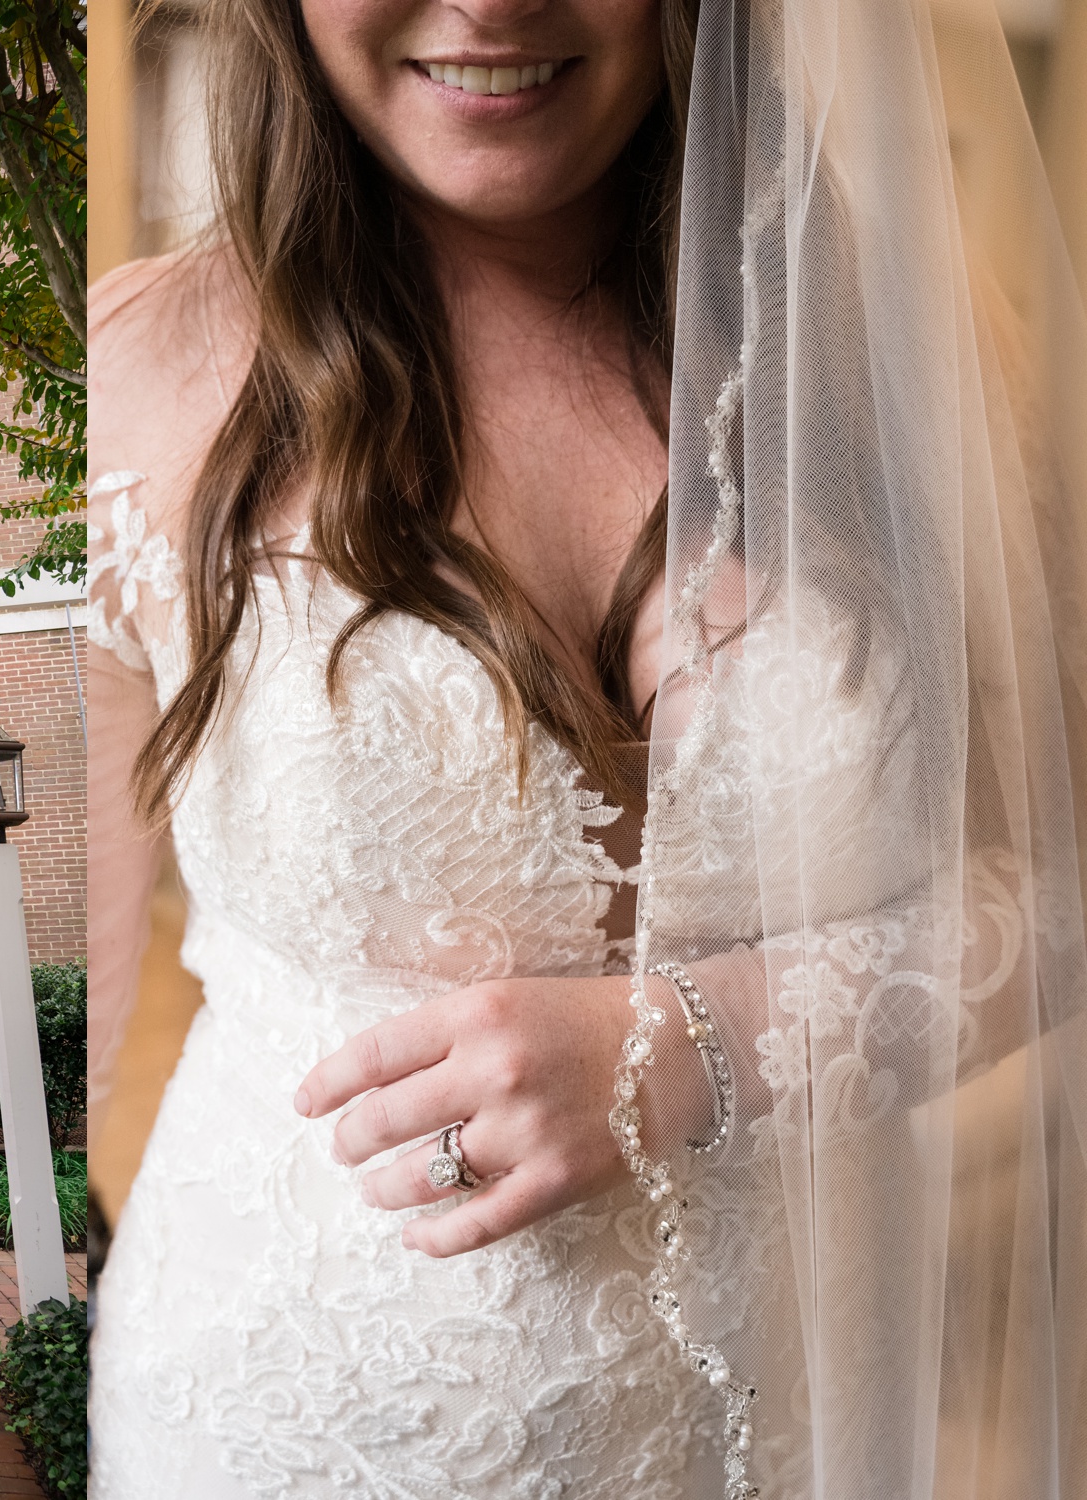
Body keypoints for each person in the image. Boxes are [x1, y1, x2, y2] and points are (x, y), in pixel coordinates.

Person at [85, 0, 1087, 1494]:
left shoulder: (919, 356)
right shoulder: (137, 375)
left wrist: (704, 1044)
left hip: (797, 1414)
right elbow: (81, 978)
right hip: (290, 1418)